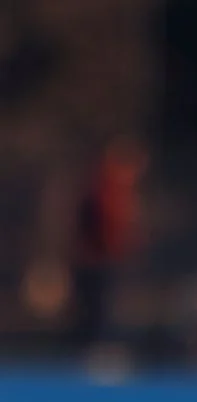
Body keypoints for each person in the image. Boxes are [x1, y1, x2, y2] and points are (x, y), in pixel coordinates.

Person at [73, 137, 147, 349]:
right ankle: (97, 345)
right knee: (99, 306)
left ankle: (104, 343)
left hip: (111, 259)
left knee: (109, 305)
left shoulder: (123, 193)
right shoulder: (103, 191)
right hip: (99, 260)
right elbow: (103, 226)